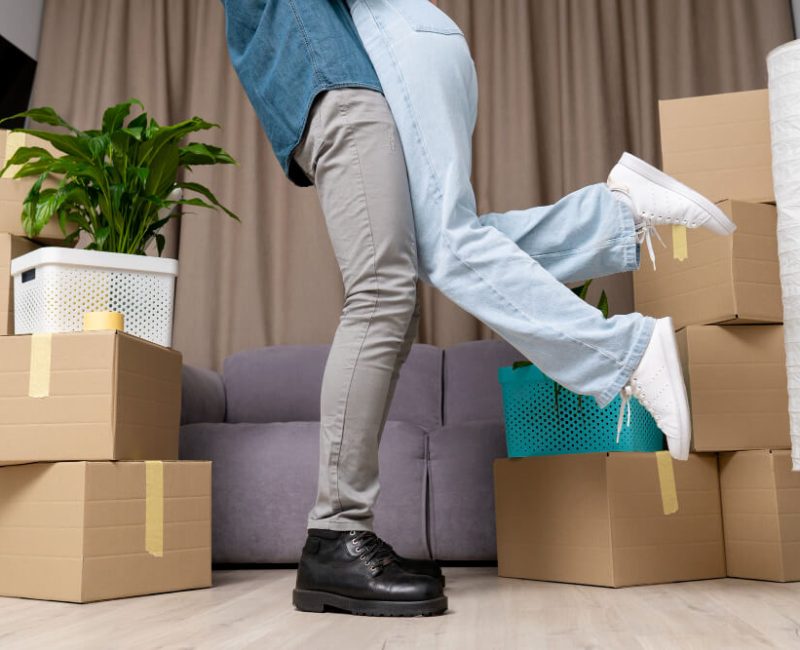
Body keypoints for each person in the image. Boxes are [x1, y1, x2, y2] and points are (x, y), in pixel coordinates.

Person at [345, 0, 735, 462]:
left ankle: (625, 351)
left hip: (393, 46)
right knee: (442, 244)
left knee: (448, 243)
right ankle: (619, 213)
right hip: (418, 41)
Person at [222, 0, 447, 617]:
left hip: (342, 82)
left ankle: (342, 534)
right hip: (338, 83)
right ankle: (334, 535)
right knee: (381, 294)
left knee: (395, 308)